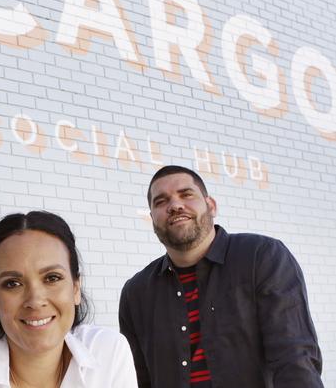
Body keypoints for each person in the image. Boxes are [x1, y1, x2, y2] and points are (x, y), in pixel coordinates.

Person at [119, 165, 323, 387]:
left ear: (211, 205)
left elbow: (294, 359)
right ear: (152, 218)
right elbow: (138, 378)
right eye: (161, 201)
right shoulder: (136, 292)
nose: (175, 205)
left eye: (186, 194)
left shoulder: (261, 256)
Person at [0, 211, 138, 388]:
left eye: (52, 278)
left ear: (76, 288)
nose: (35, 300)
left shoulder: (108, 350)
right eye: (12, 283)